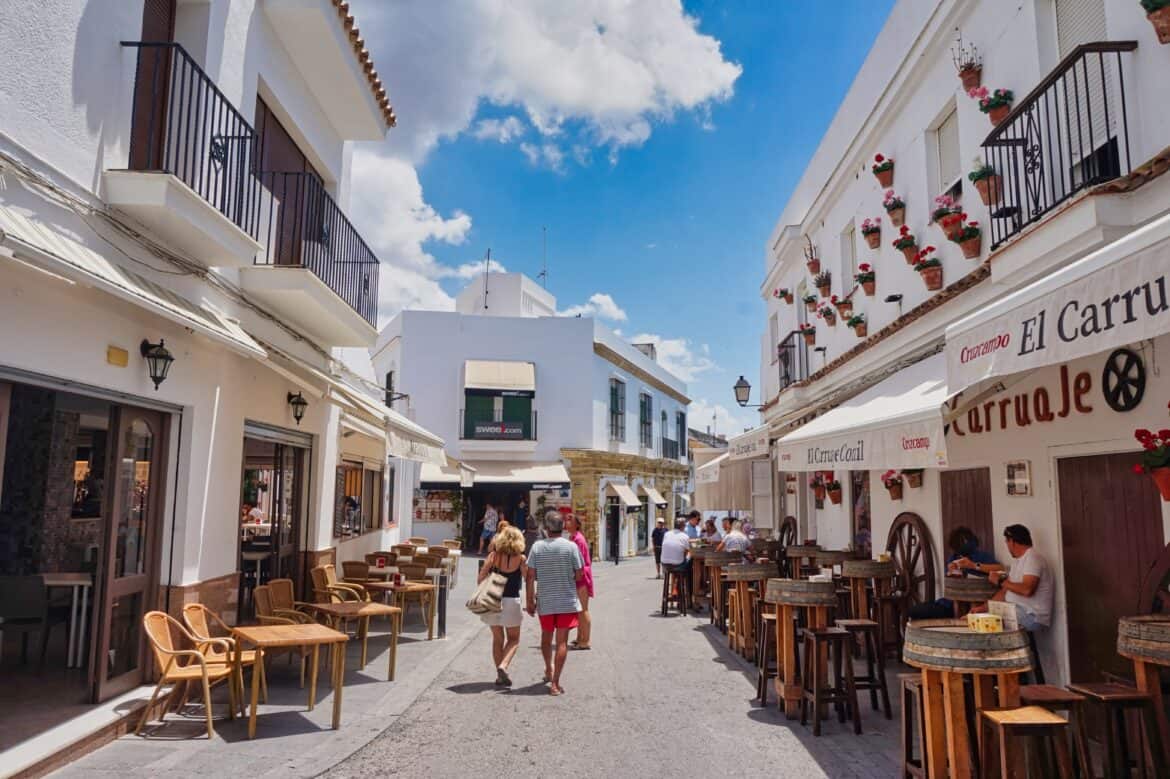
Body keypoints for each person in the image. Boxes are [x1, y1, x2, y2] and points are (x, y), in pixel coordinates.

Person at [525, 510, 583, 696]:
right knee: (562, 642)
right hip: (566, 600)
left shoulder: (537, 547)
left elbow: (530, 576)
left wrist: (529, 600)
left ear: (547, 528)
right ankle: (556, 683)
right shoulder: (571, 547)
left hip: (546, 600)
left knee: (545, 638)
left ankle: (548, 669)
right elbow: (579, 573)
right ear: (562, 527)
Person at [908, 526, 1002, 620]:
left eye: (966, 542)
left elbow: (1000, 568)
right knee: (915, 611)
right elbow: (949, 580)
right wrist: (951, 572)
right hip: (950, 603)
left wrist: (973, 565)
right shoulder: (953, 559)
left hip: (974, 604)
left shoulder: (981, 556)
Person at [477, 526, 526, 686]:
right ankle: (503, 666)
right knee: (514, 639)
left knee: (497, 639)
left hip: (493, 599)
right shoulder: (520, 558)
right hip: (512, 600)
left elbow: (481, 578)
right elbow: (528, 578)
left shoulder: (493, 556)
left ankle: (499, 675)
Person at [987, 524, 1054, 630]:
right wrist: (984, 608)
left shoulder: (1033, 558)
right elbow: (1004, 591)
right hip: (1020, 611)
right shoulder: (1018, 561)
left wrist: (1000, 581)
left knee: (991, 622)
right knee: (986, 617)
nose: (1007, 546)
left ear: (1012, 542)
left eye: (1007, 542)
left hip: (1033, 615)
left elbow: (1027, 590)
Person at [565, 514, 593, 651]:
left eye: (570, 520)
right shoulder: (572, 538)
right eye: (566, 519)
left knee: (583, 609)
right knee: (578, 610)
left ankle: (585, 640)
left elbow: (580, 563)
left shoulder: (578, 540)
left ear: (577, 524)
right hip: (576, 577)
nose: (566, 522)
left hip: (581, 577)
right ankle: (580, 637)